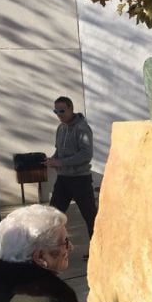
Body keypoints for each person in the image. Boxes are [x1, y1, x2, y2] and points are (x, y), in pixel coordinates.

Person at [46, 96, 97, 238]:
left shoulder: (82, 128)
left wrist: (61, 163)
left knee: (90, 216)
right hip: (63, 178)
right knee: (53, 215)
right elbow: (59, 151)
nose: (59, 115)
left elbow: (86, 155)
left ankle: (97, 251)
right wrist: (53, 159)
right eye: (55, 112)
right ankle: (52, 249)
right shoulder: (61, 128)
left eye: (62, 111)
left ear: (71, 109)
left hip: (80, 179)